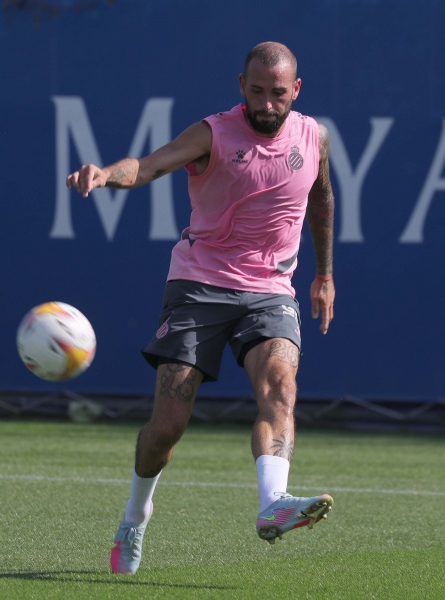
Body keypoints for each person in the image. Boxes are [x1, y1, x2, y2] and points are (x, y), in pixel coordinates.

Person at [66, 41, 336, 575]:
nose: (266, 103)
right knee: (168, 426)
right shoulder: (211, 134)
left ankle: (272, 503)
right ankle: (136, 515)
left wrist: (324, 275)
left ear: (296, 90)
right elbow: (147, 166)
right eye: (256, 91)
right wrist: (106, 173)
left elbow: (321, 199)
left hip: (271, 290)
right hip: (199, 285)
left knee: (280, 386)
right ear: (241, 86)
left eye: (278, 93)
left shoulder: (315, 137)